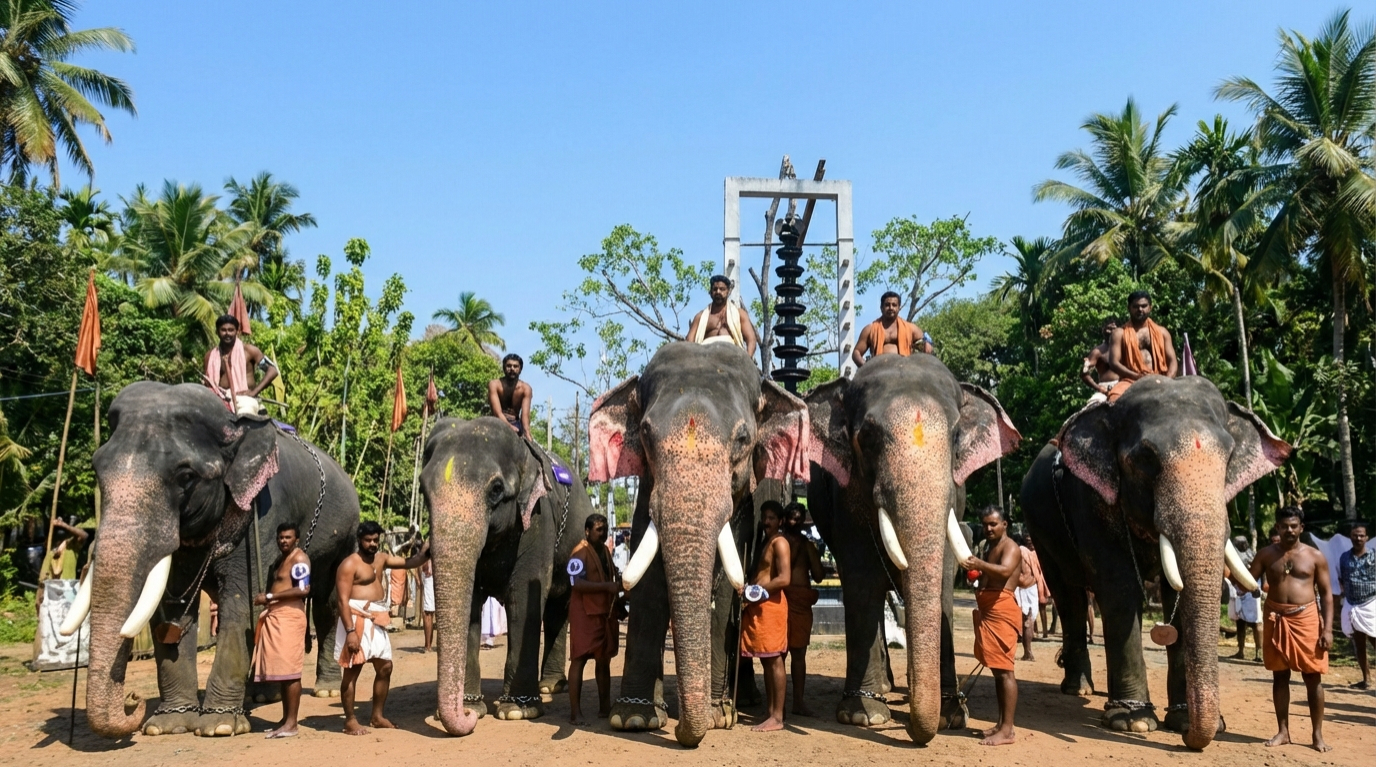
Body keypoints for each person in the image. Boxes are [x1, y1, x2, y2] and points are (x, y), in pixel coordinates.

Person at [1247, 506, 1332, 752]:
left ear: (1301, 528)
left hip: (1306, 620)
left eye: (1294, 526)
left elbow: (1326, 595)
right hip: (1275, 617)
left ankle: (1317, 735)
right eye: (1284, 526)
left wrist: (1327, 630)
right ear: (1277, 527)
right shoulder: (1266, 555)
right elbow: (1247, 582)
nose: (1289, 530)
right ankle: (1283, 731)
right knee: (1280, 675)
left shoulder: (1315, 556)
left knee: (1312, 677)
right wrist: (1224, 569)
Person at [335, 521, 429, 735]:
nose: (372, 544)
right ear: (360, 540)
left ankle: (377, 716)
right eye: (368, 540)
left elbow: (411, 562)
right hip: (356, 618)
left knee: (385, 667)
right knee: (352, 671)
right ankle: (350, 720)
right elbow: (341, 600)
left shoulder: (382, 558)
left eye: (375, 540)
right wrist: (350, 631)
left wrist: (426, 549)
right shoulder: (349, 564)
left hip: (377, 617)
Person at [962, 506, 1023, 746]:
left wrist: (979, 563)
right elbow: (991, 575)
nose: (988, 528)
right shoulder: (991, 547)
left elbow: (1006, 571)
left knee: (1005, 671)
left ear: (1005, 524)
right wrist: (977, 575)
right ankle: (1001, 724)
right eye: (985, 524)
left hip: (1002, 610)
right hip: (990, 608)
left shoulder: (1011, 547)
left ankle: (1007, 730)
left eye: (993, 524)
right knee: (998, 671)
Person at [252, 522, 311, 739]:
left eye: (287, 537)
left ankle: (292, 724)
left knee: (291, 672)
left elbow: (304, 589)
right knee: (285, 674)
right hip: (277, 616)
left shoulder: (299, 559)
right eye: (280, 537)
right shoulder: (281, 560)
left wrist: (269, 597)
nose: (283, 541)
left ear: (296, 539)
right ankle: (285, 720)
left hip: (290, 617)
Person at [741, 502, 791, 732]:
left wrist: (758, 591)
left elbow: (784, 578)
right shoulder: (766, 542)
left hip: (770, 606)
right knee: (766, 660)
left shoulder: (780, 543)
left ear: (780, 521)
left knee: (774, 660)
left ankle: (778, 717)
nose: (767, 521)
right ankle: (771, 712)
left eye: (771, 517)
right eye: (764, 517)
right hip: (759, 606)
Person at [567, 513, 620, 725]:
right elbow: (575, 584)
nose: (603, 533)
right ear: (587, 531)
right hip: (584, 615)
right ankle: (575, 713)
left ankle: (604, 707)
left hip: (603, 614)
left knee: (603, 660)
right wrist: (606, 587)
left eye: (605, 529)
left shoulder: (605, 551)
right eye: (599, 530)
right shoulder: (579, 553)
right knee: (578, 660)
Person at [782, 502, 823, 716]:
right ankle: (778, 706)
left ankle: (797, 702)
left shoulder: (807, 545)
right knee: (778, 655)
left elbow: (818, 575)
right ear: (785, 519)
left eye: (798, 519)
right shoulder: (776, 543)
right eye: (792, 518)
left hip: (799, 603)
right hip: (780, 601)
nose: (795, 522)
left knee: (798, 655)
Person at [1105, 291, 1177, 402]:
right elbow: (1114, 363)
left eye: (1144, 306)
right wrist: (1136, 376)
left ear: (1150, 307)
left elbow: (1172, 361)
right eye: (1136, 306)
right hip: (1130, 380)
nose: (1140, 310)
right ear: (1129, 308)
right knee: (1114, 399)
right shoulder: (1119, 333)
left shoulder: (1162, 332)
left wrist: (1168, 380)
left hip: (1160, 377)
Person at [204, 314, 278, 416]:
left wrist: (254, 392)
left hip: (245, 401)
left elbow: (272, 370)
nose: (227, 333)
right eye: (223, 330)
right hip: (219, 401)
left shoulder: (249, 351)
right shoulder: (210, 356)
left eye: (231, 330)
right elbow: (207, 384)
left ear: (237, 331)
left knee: (244, 421)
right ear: (217, 332)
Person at [851, 291, 931, 368]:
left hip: (905, 369)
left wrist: (927, 342)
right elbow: (856, 352)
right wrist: (866, 368)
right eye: (887, 305)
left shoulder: (910, 328)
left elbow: (926, 342)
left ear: (899, 308)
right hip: (878, 370)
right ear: (881, 308)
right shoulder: (870, 329)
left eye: (894, 305)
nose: (890, 308)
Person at [1338, 521, 1374, 689]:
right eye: (1355, 535)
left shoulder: (1374, 556)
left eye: (1361, 535)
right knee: (1359, 644)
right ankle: (1366, 679)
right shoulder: (1344, 557)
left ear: (1366, 537)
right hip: (1352, 605)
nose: (1358, 538)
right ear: (1350, 537)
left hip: (1371, 604)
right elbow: (1340, 578)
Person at [686, 275, 759, 355]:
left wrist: (746, 361)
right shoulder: (700, 317)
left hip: (733, 359)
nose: (718, 292)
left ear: (728, 291)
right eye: (715, 289)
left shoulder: (740, 314)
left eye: (722, 289)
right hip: (706, 360)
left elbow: (751, 339)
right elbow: (689, 342)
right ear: (710, 292)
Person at [1228, 535, 1262, 662]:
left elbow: (1259, 572)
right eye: (1238, 543)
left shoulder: (1253, 556)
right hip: (1237, 590)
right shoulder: (1233, 556)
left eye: (1243, 543)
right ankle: (1240, 651)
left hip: (1252, 589)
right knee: (1240, 622)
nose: (1241, 545)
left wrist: (1259, 587)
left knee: (1256, 622)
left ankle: (1259, 653)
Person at [1014, 534, 1047, 661]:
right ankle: (1027, 652)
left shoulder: (1027, 553)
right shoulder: (1026, 553)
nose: (1030, 543)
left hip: (1028, 589)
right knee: (1028, 621)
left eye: (1031, 540)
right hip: (1026, 589)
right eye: (1028, 541)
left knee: (1028, 621)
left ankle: (1028, 652)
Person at [488, 354, 532, 436]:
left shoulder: (525, 388)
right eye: (509, 366)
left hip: (515, 423)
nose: (512, 369)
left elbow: (525, 416)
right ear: (504, 368)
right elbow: (497, 413)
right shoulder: (494, 385)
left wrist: (527, 433)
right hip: (497, 422)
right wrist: (509, 427)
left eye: (515, 366)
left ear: (520, 369)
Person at [1080, 317, 1121, 404]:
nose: (1111, 332)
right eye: (1109, 329)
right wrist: (1099, 388)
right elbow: (1084, 374)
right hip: (1105, 389)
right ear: (1103, 330)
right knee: (1092, 405)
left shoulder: (1124, 348)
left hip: (1123, 386)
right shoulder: (1097, 352)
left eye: (1114, 329)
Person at [420, 555, 436, 652]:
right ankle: (428, 644)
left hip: (429, 576)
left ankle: (428, 645)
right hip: (430, 575)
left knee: (427, 613)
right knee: (429, 612)